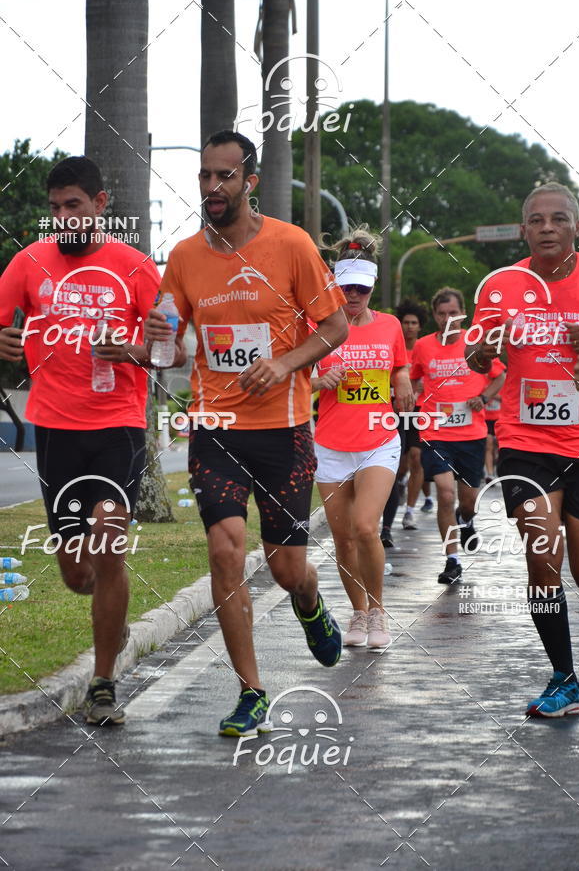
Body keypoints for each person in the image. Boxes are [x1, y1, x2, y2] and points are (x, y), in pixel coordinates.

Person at [146, 130, 348, 737]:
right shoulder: (183, 256)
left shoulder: (291, 245)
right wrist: (156, 339)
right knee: (225, 548)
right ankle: (251, 691)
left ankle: (310, 603)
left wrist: (287, 363)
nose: (212, 187)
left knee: (287, 569)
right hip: (216, 429)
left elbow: (335, 325)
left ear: (249, 182)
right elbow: (168, 348)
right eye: (205, 176)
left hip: (284, 432)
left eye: (225, 177)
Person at [0, 156, 168, 725]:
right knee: (77, 572)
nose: (63, 217)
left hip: (117, 423)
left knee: (109, 536)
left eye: (74, 205)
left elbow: (173, 348)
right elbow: (2, 324)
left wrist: (136, 351)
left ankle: (103, 683)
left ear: (100, 205)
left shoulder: (135, 267)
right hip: (55, 427)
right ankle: (107, 610)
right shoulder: (28, 264)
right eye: (55, 209)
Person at [468, 181, 579, 718]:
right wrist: (483, 351)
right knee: (543, 554)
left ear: (576, 226)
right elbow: (480, 357)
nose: (548, 227)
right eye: (537, 220)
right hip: (525, 436)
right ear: (524, 230)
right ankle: (564, 680)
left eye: (559, 219)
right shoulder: (502, 286)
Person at [311, 230, 413, 649]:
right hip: (331, 444)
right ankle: (357, 612)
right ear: (335, 284)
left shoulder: (389, 326)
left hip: (378, 440)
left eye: (361, 288)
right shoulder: (318, 328)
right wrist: (320, 379)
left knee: (366, 526)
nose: (353, 295)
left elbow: (400, 368)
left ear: (371, 288)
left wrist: (403, 383)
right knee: (343, 538)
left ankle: (378, 611)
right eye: (346, 286)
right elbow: (295, 380)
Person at [410, 287, 505, 585]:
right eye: (441, 314)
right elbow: (413, 378)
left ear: (462, 313)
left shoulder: (476, 344)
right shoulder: (423, 346)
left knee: (468, 500)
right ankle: (452, 560)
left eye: (453, 313)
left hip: (471, 434)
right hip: (435, 431)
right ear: (435, 315)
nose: (447, 319)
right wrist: (411, 395)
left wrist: (484, 397)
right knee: (445, 493)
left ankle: (467, 521)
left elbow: (500, 374)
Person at [483, 365, 505, 483]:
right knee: (488, 444)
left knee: (499, 446)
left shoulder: (501, 381)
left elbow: (506, 398)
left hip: (499, 418)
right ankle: (490, 474)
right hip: (486, 419)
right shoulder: (482, 380)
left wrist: (490, 394)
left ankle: (499, 469)